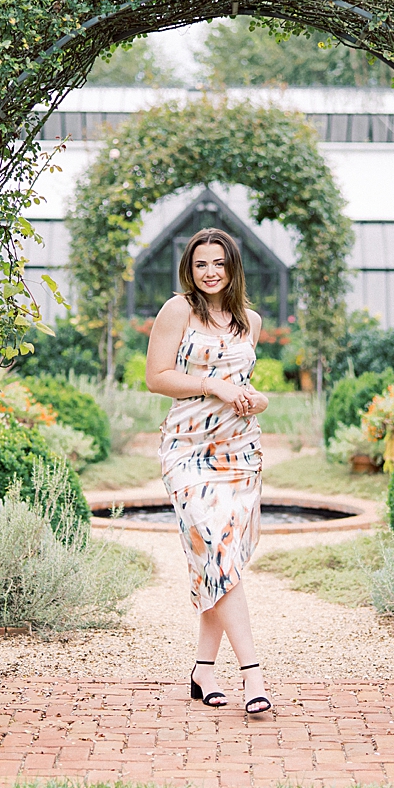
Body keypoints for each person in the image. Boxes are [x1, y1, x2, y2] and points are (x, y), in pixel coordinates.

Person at [145, 227, 273, 714]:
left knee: (220, 559)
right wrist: (213, 386)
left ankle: (202, 669)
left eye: (219, 263)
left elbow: (248, 389)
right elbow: (157, 378)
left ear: (233, 267)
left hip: (239, 452)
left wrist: (253, 398)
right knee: (217, 546)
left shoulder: (250, 323)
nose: (210, 272)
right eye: (201, 264)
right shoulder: (179, 310)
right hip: (187, 450)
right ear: (189, 269)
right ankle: (253, 675)